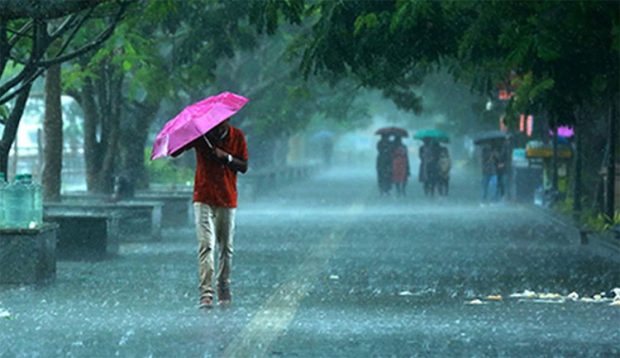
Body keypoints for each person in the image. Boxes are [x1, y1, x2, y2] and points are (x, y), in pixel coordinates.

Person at [172, 119, 248, 309]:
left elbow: (244, 166)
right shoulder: (201, 135)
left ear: (228, 120)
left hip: (227, 198)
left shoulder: (237, 136)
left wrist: (227, 158)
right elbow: (175, 152)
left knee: (226, 247)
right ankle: (206, 293)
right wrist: (185, 134)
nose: (217, 126)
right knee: (206, 245)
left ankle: (223, 285)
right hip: (203, 196)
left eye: (221, 123)